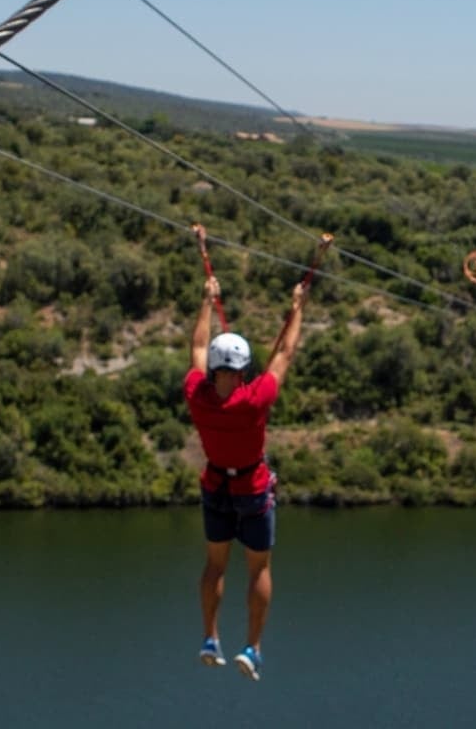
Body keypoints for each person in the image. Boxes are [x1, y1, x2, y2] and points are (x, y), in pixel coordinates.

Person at [185, 274, 308, 682]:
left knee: (214, 566)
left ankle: (209, 638)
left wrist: (207, 300)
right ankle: (252, 649)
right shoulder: (256, 399)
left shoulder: (198, 396)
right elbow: (286, 352)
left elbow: (198, 347)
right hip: (252, 490)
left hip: (215, 488)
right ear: (242, 369)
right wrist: (297, 307)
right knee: (258, 569)